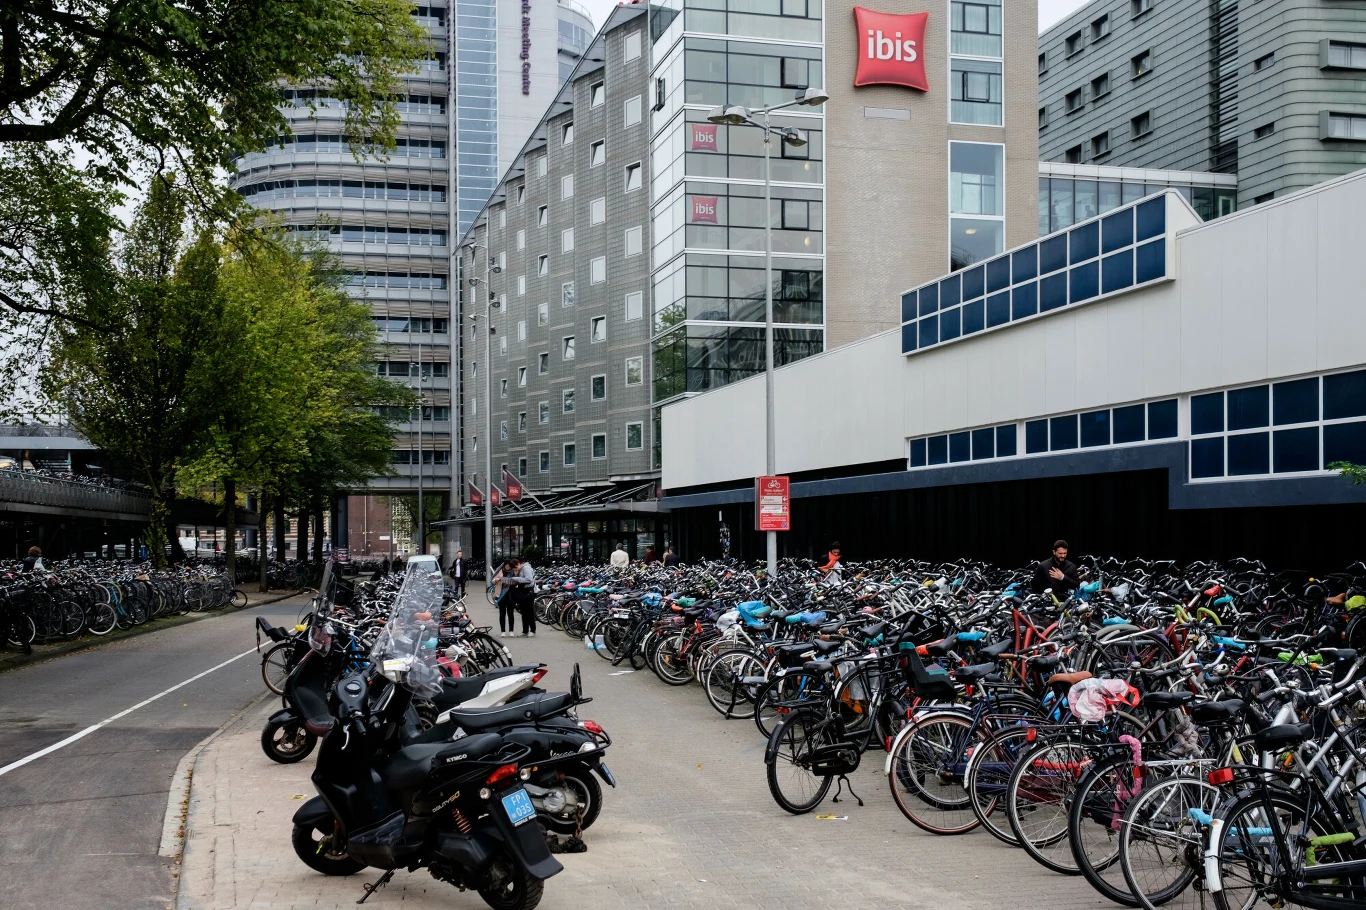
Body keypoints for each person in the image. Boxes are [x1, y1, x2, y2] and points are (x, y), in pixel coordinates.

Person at [504, 556, 537, 637]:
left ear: (518, 564)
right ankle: (525, 630)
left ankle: (532, 630)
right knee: (524, 612)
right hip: (523, 591)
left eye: (515, 568)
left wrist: (517, 578)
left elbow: (529, 579)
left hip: (528, 591)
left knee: (529, 611)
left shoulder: (526, 568)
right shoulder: (521, 569)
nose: (515, 570)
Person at [493, 561, 516, 637]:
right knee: (502, 614)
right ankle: (503, 631)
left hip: (510, 595)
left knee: (510, 614)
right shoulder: (499, 571)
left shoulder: (513, 572)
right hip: (501, 595)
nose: (507, 567)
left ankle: (511, 631)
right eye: (506, 566)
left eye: (509, 566)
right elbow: (493, 580)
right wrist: (496, 580)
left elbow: (516, 581)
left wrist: (510, 581)